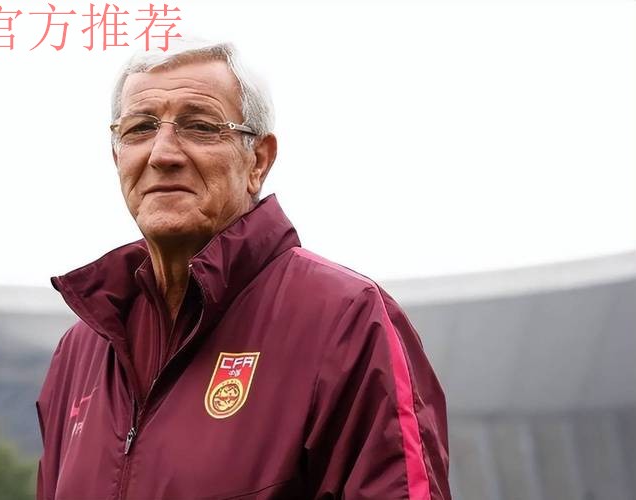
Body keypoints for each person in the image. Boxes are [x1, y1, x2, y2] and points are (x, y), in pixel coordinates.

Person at [36, 39, 451, 500]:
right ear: (118, 157)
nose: (162, 154)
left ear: (258, 160)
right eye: (140, 128)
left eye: (200, 126)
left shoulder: (345, 320)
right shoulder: (80, 351)